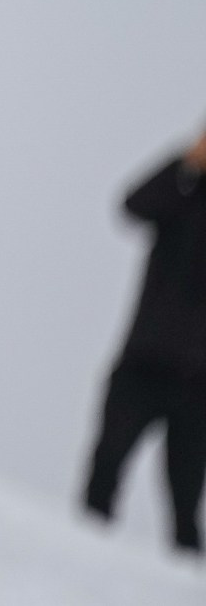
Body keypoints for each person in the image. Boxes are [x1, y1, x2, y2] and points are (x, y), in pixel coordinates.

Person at [84, 123, 206, 552]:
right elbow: (133, 205)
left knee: (185, 506)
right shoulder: (184, 197)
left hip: (199, 387)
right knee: (104, 474)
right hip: (143, 364)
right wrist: (186, 161)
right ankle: (78, 565)